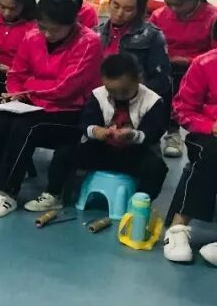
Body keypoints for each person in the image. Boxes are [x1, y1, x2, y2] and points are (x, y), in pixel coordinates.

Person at [0, 0, 103, 218]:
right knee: (2, 117)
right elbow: (16, 73)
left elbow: (67, 87)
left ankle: (7, 193)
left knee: (26, 126)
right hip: (32, 104)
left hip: (70, 112)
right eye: (43, 27)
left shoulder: (89, 42)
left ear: (72, 23)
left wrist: (27, 91)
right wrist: (15, 94)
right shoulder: (33, 36)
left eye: (55, 29)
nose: (48, 34)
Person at [26, 54, 167, 213]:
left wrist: (133, 135)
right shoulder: (98, 95)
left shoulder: (152, 100)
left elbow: (154, 131)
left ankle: (139, 203)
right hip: (101, 150)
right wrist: (95, 131)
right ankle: (53, 194)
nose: (118, 96)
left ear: (139, 79)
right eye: (111, 91)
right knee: (64, 153)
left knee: (157, 167)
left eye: (124, 91)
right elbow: (84, 123)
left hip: (134, 153)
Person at [152, 0, 216, 158]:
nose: (173, 9)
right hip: (164, 64)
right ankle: (154, 133)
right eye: (168, 4)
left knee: (180, 82)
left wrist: (189, 61)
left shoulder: (212, 17)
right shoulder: (159, 15)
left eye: (178, 5)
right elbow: (151, 43)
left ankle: (175, 132)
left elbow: (214, 54)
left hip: (197, 67)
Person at [163, 44, 217, 264]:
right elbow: (182, 109)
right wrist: (210, 126)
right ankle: (178, 227)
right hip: (208, 133)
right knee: (211, 153)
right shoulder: (205, 64)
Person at [95, 0, 171, 100]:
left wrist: (131, 93)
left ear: (139, 11)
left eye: (128, 10)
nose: (119, 13)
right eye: (116, 6)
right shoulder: (96, 33)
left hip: (135, 100)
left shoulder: (151, 36)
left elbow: (161, 81)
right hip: (98, 98)